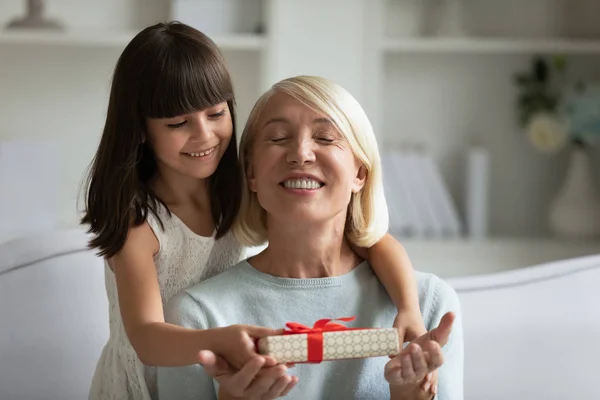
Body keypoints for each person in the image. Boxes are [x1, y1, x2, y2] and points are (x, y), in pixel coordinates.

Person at [81, 21, 435, 400]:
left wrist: (409, 307)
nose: (204, 135)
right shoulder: (140, 223)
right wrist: (223, 339)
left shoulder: (237, 191)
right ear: (140, 130)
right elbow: (148, 339)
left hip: (217, 366)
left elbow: (369, 241)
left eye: (216, 114)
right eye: (178, 123)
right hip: (143, 385)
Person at [157, 76, 464, 400]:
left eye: (325, 138)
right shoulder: (195, 317)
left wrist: (409, 396)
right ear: (251, 173)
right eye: (278, 138)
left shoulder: (428, 305)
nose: (301, 153)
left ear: (359, 173)